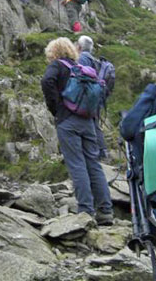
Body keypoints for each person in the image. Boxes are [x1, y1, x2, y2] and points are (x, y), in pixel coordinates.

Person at [40, 37, 113, 225]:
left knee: (76, 164)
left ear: (53, 51)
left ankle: (86, 210)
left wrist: (56, 108)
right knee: (93, 164)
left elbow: (47, 81)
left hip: (68, 121)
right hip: (88, 121)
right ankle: (105, 211)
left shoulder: (57, 66)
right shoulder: (80, 68)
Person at [76, 35, 108, 159]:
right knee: (94, 122)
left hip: (89, 96)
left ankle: (99, 151)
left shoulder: (82, 59)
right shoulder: (94, 60)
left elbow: (81, 78)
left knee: (92, 123)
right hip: (97, 95)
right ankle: (101, 150)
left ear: (79, 46)